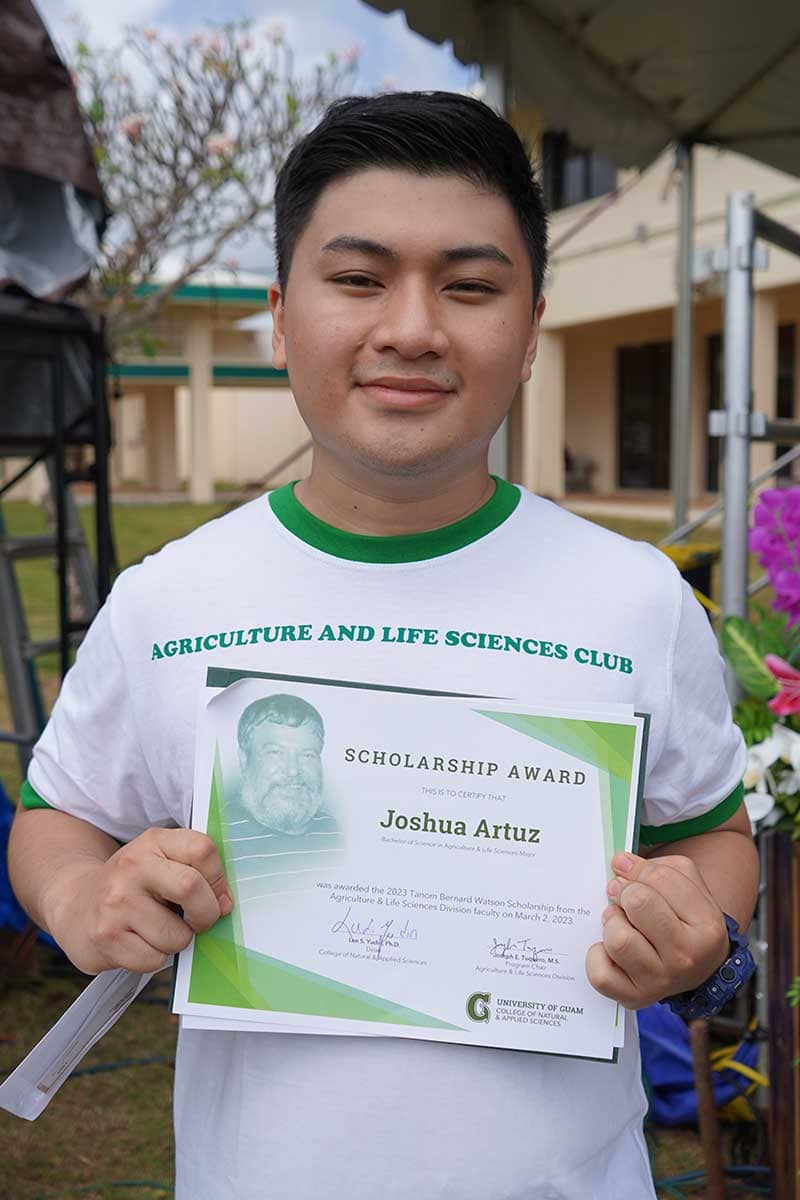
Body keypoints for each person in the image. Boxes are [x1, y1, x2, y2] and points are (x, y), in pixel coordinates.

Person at [9, 92, 758, 1199]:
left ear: (531, 327)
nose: (410, 327)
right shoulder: (168, 599)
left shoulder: (633, 598)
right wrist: (81, 899)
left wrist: (701, 932)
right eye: (358, 279)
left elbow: (711, 835)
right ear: (278, 312)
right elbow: (57, 819)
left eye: (468, 285)